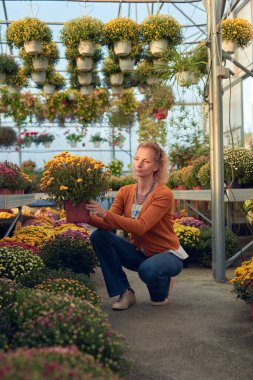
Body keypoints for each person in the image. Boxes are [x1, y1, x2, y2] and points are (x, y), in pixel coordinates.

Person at [86, 142, 188, 310]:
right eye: (137, 158)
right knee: (99, 236)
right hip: (140, 253)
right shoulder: (125, 191)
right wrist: (85, 216)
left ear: (156, 166)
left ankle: (163, 280)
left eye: (146, 161)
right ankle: (125, 292)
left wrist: (104, 213)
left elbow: (141, 226)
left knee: (151, 279)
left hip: (167, 255)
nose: (139, 164)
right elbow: (108, 223)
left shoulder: (163, 194)